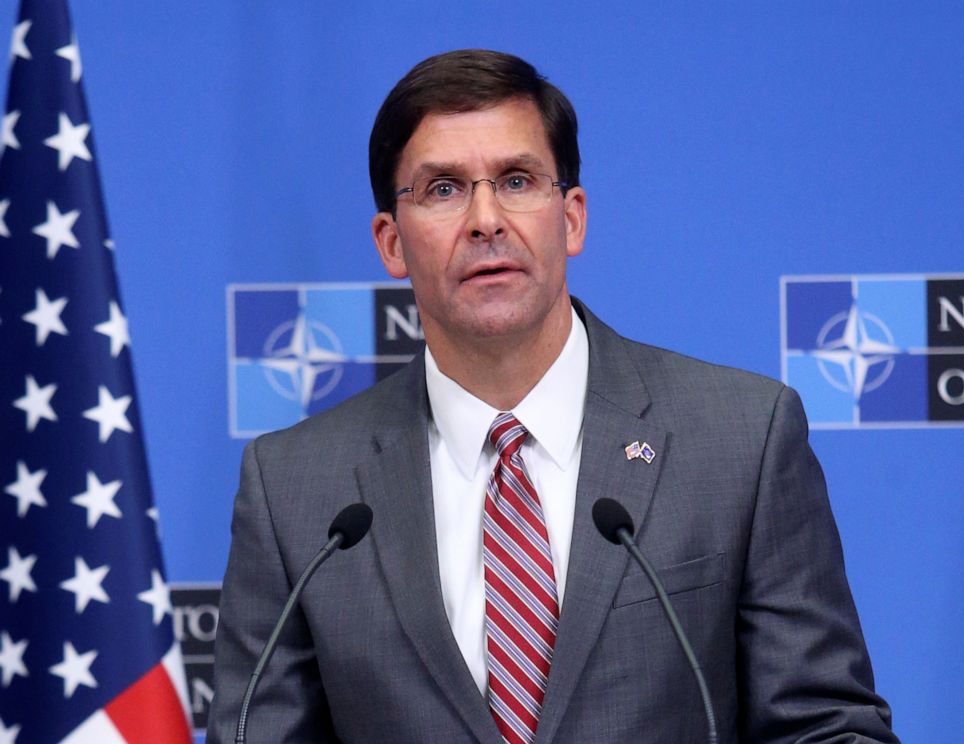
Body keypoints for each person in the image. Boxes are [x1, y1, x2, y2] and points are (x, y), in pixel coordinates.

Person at [208, 50, 898, 743]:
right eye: (443, 189)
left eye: (515, 180)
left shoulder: (741, 441)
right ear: (391, 241)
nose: (485, 220)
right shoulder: (297, 491)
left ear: (570, 218)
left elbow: (826, 727)